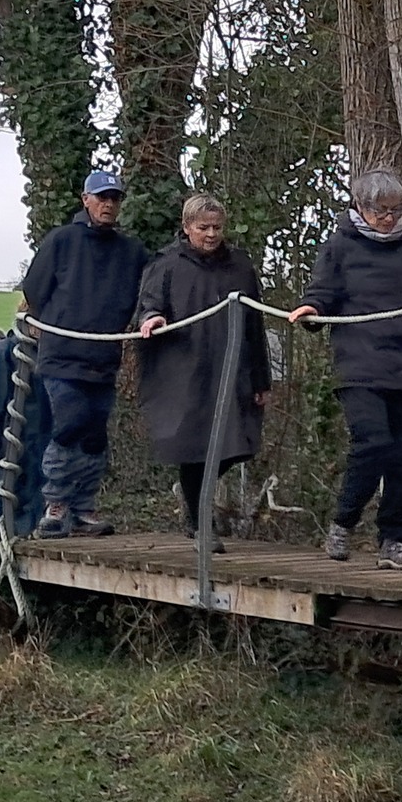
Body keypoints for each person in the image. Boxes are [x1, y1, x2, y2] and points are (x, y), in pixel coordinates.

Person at [288, 169, 402, 570]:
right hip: (360, 365)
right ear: (360, 207)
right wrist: (311, 311)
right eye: (381, 211)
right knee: (373, 444)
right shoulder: (340, 246)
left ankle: (394, 541)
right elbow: (322, 294)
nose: (389, 218)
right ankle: (343, 523)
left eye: (396, 211)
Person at [21, 169, 149, 538]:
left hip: (103, 357)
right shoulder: (61, 240)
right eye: (102, 197)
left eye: (114, 198)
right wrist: (57, 321)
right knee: (70, 423)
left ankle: (82, 507)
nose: (108, 204)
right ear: (86, 200)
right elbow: (35, 288)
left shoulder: (131, 251)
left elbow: (151, 288)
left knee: (94, 434)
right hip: (62, 355)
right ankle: (56, 504)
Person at [138, 194, 271, 550]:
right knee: (196, 447)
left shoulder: (239, 265)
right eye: (203, 228)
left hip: (233, 369)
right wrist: (152, 318)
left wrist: (261, 379)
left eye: (217, 227)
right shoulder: (166, 264)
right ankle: (200, 524)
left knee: (239, 443)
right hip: (186, 373)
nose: (211, 234)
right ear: (187, 228)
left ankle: (197, 508)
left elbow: (255, 324)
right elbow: (149, 304)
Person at [0, 325, 52, 540]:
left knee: (37, 491)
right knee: (1, 492)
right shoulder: (6, 350)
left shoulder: (48, 350)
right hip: (9, 438)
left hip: (41, 438)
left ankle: (30, 536)